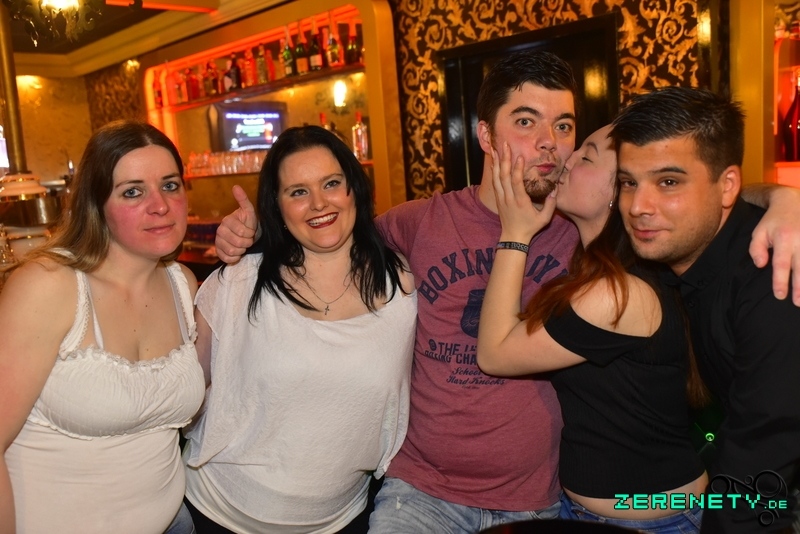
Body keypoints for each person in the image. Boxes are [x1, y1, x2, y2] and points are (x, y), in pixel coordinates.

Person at [215, 52, 800, 533]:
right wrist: (255, 229)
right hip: (424, 492)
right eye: (526, 122)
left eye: (565, 127)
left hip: (545, 502)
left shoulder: (603, 237)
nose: (551, 144)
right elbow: (330, 229)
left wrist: (782, 198)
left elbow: (690, 193)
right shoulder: (419, 222)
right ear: (485, 135)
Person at [182, 125, 417, 533]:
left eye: (331, 183)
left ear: (354, 188)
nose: (319, 203)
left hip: (340, 522)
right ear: (277, 207)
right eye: (298, 192)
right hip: (216, 514)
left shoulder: (403, 284)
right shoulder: (239, 281)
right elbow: (181, 393)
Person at [477, 126, 708, 532]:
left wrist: (514, 234)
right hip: (589, 511)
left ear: (620, 192)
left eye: (586, 157)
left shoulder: (619, 294)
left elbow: (494, 354)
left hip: (656, 523)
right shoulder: (602, 273)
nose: (566, 160)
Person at [0, 120, 206, 534]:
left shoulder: (183, 285)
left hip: (173, 522)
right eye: (132, 191)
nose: (160, 205)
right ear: (96, 205)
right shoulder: (49, 285)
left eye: (170, 185)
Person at [610, 87, 800, 533]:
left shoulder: (773, 279)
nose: (638, 207)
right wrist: (783, 195)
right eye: (628, 182)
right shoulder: (671, 252)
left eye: (668, 182)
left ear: (727, 185)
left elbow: (759, 460)